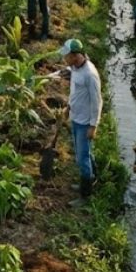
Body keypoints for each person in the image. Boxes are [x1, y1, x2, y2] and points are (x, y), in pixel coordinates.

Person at [59, 39, 101, 197]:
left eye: (66, 56)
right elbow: (74, 91)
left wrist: (93, 126)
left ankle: (85, 195)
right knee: (85, 153)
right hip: (76, 117)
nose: (64, 59)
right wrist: (68, 107)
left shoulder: (90, 74)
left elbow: (97, 101)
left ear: (75, 55)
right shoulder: (75, 68)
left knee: (82, 159)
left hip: (85, 122)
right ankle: (92, 179)